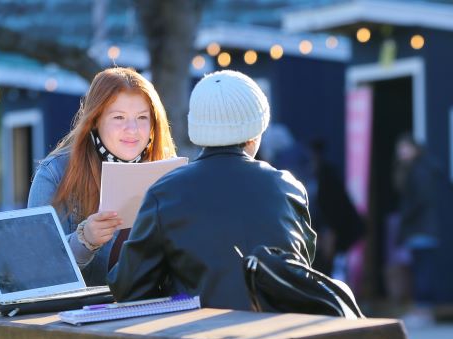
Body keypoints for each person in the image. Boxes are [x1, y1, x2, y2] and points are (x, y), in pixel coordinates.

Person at [108, 70, 316, 310]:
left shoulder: (164, 192)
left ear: (197, 130)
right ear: (255, 133)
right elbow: (303, 272)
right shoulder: (289, 187)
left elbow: (128, 288)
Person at [28, 66, 176, 285]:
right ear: (95, 120)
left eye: (142, 117)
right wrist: (85, 240)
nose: (132, 129)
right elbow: (36, 269)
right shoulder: (55, 172)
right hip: (80, 315)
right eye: (119, 117)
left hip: (155, 311)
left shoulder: (169, 173)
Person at [392, 133, 441, 325]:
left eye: (405, 148)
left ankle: (423, 311)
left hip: (421, 229)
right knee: (421, 269)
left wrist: (406, 218)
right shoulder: (416, 169)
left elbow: (419, 200)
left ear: (415, 149)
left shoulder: (419, 171)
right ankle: (422, 309)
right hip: (420, 228)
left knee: (422, 270)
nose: (401, 152)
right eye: (400, 148)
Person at [308, 139, 364, 277]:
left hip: (338, 230)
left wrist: (330, 232)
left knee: (335, 268)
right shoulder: (319, 175)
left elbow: (334, 210)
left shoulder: (327, 178)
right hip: (333, 230)